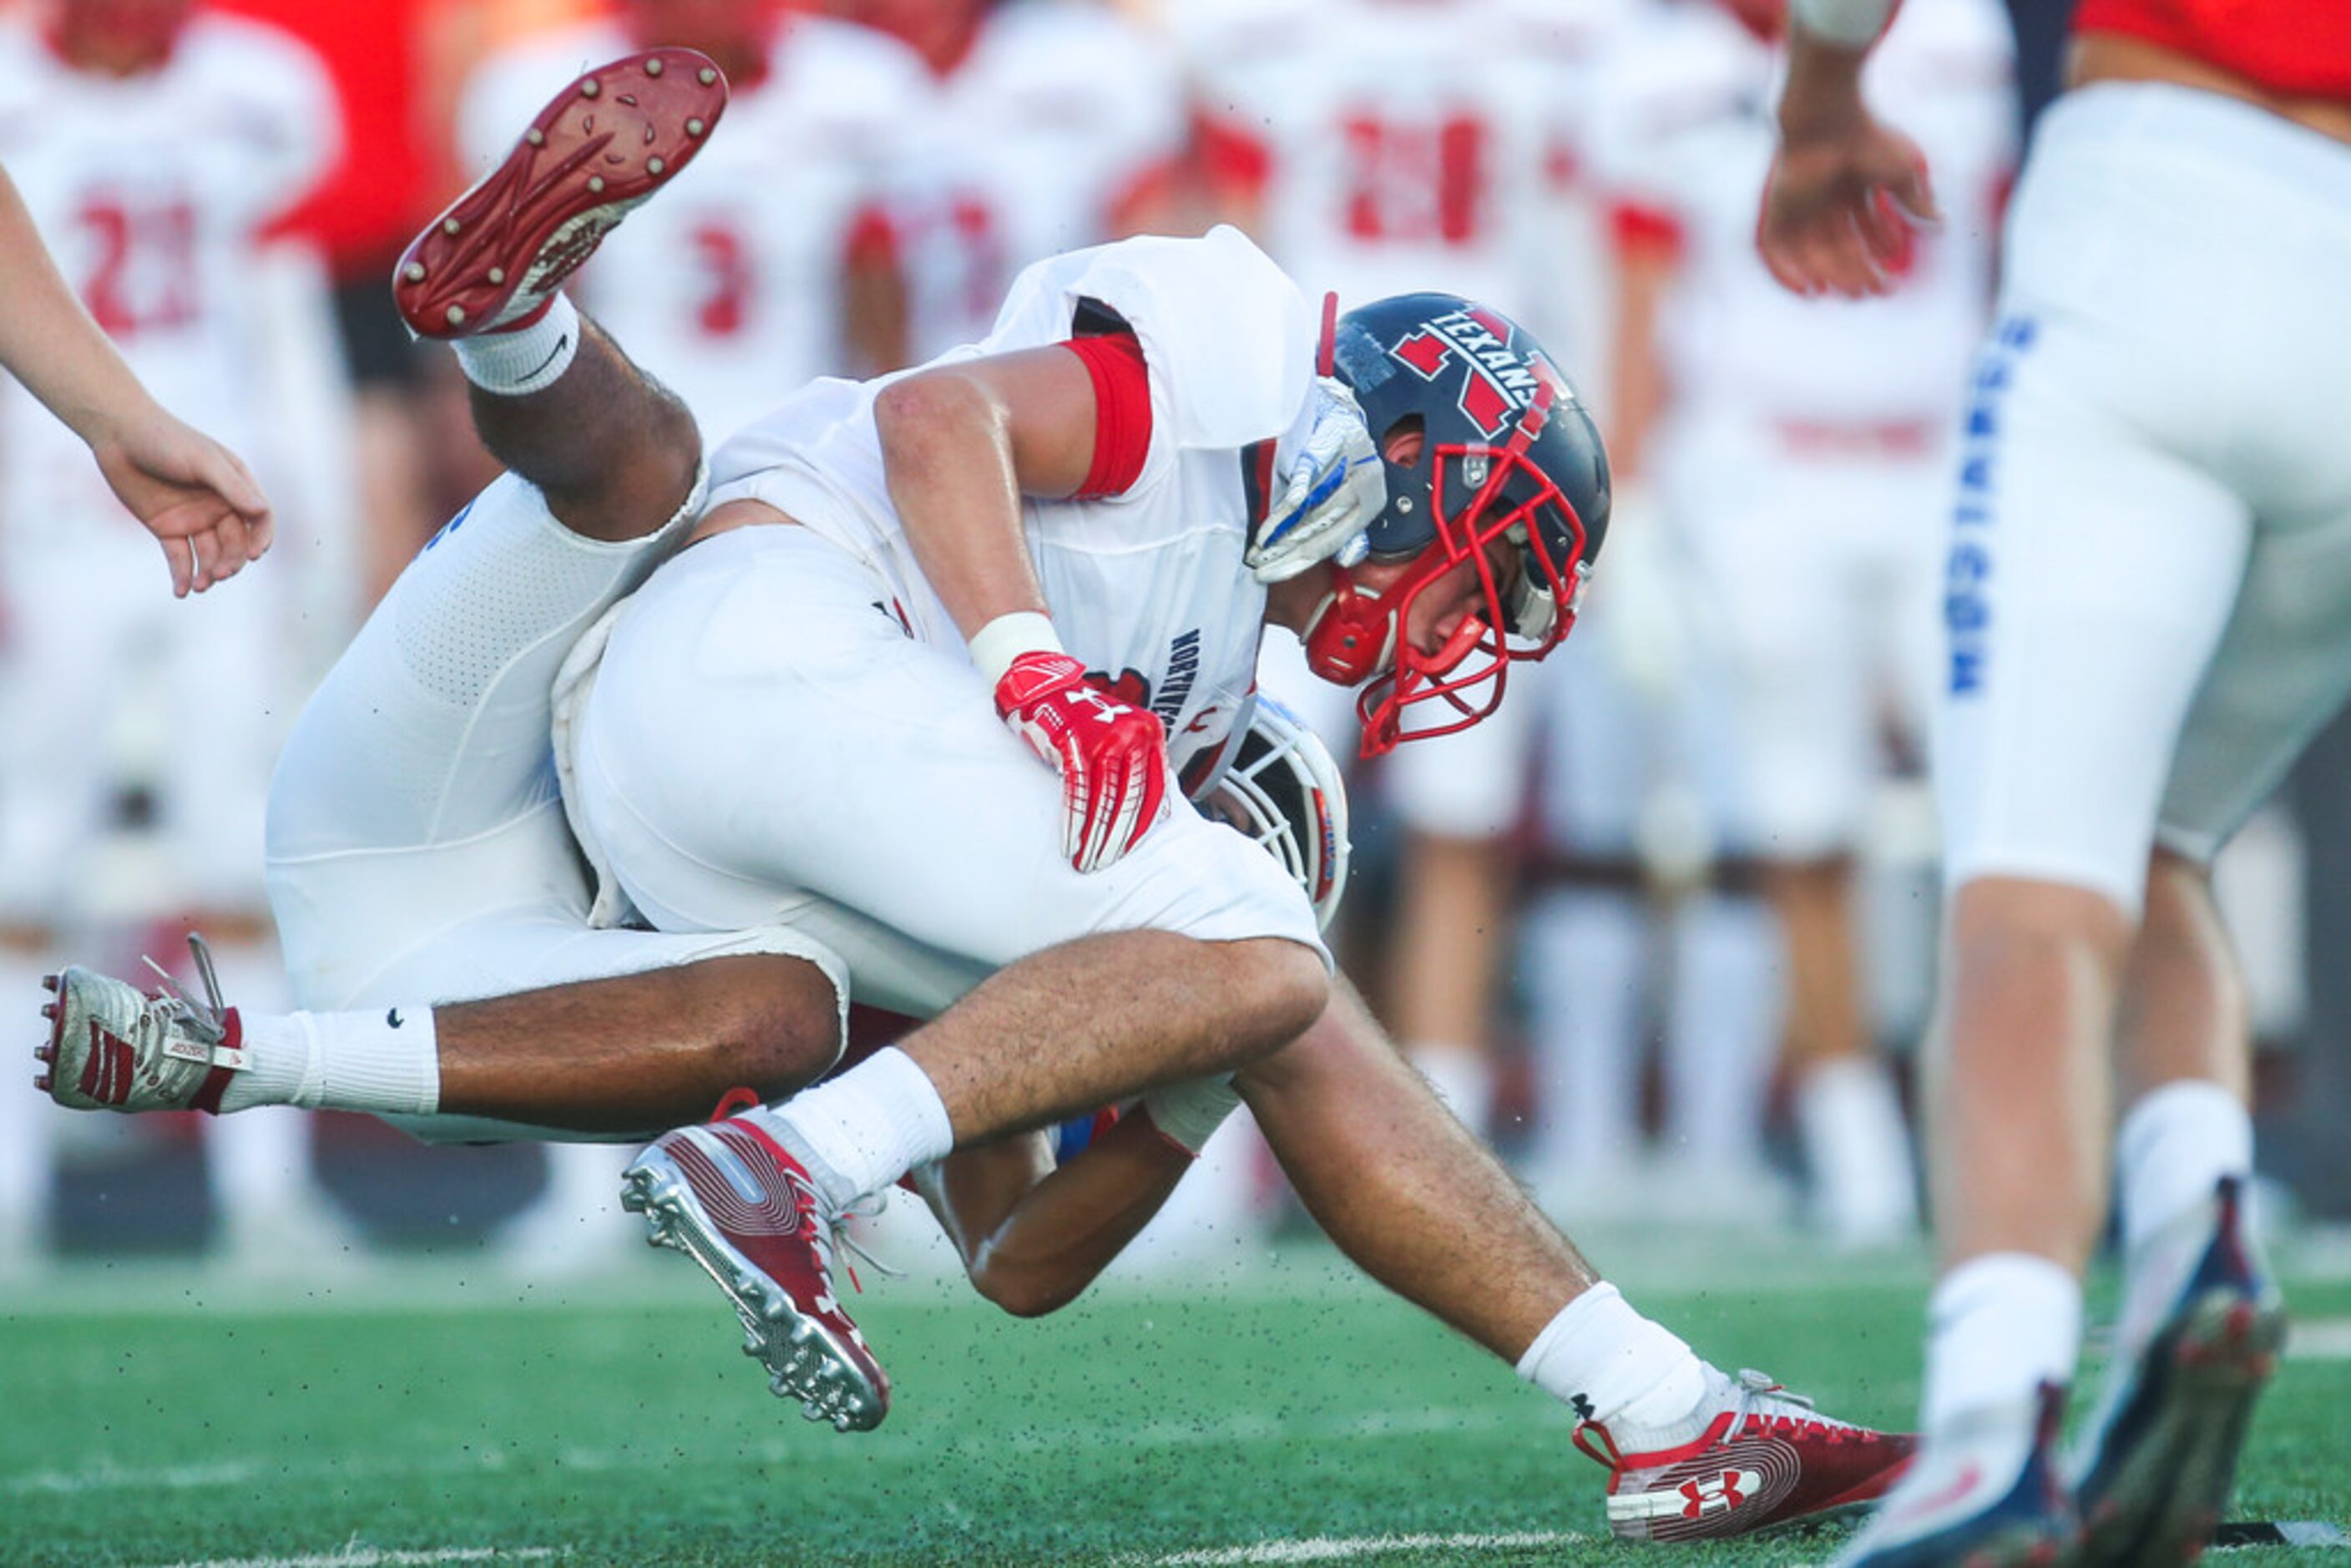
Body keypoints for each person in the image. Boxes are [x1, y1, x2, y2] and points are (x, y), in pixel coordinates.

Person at [38, 48, 1909, 1540]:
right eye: (1479, 559)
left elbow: (1016, 1261)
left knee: (821, 1012)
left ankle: (303, 1066)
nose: (1458, 621)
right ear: (1396, 457)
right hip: (711, 658)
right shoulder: (1234, 367)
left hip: (612, 881)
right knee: (655, 483)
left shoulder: (1156, 739)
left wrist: (1184, 1060)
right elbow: (942, 413)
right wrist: (1031, 668)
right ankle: (1668, 1412)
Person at [1757, 0, 2340, 1560]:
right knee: (2159, 834)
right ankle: (2189, 1222)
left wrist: (1820, 94)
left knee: (2030, 884)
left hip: (2159, 194)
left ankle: (1989, 1423)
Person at [1588, 0, 2015, 1247]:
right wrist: (1642, 506)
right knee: (1799, 821)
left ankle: (1997, 1117)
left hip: (1945, 450)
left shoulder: (1956, 32)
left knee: (2006, 802)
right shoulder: (1653, 66)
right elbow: (1639, 291)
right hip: (1760, 460)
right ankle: (1861, 1151)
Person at [0, 0, 356, 1272]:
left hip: (211, 492)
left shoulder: (259, 84)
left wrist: (317, 515)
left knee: (239, 839)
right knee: (23, 852)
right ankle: (10, 1194)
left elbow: (280, 306)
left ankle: (265, 1190)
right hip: (41, 518)